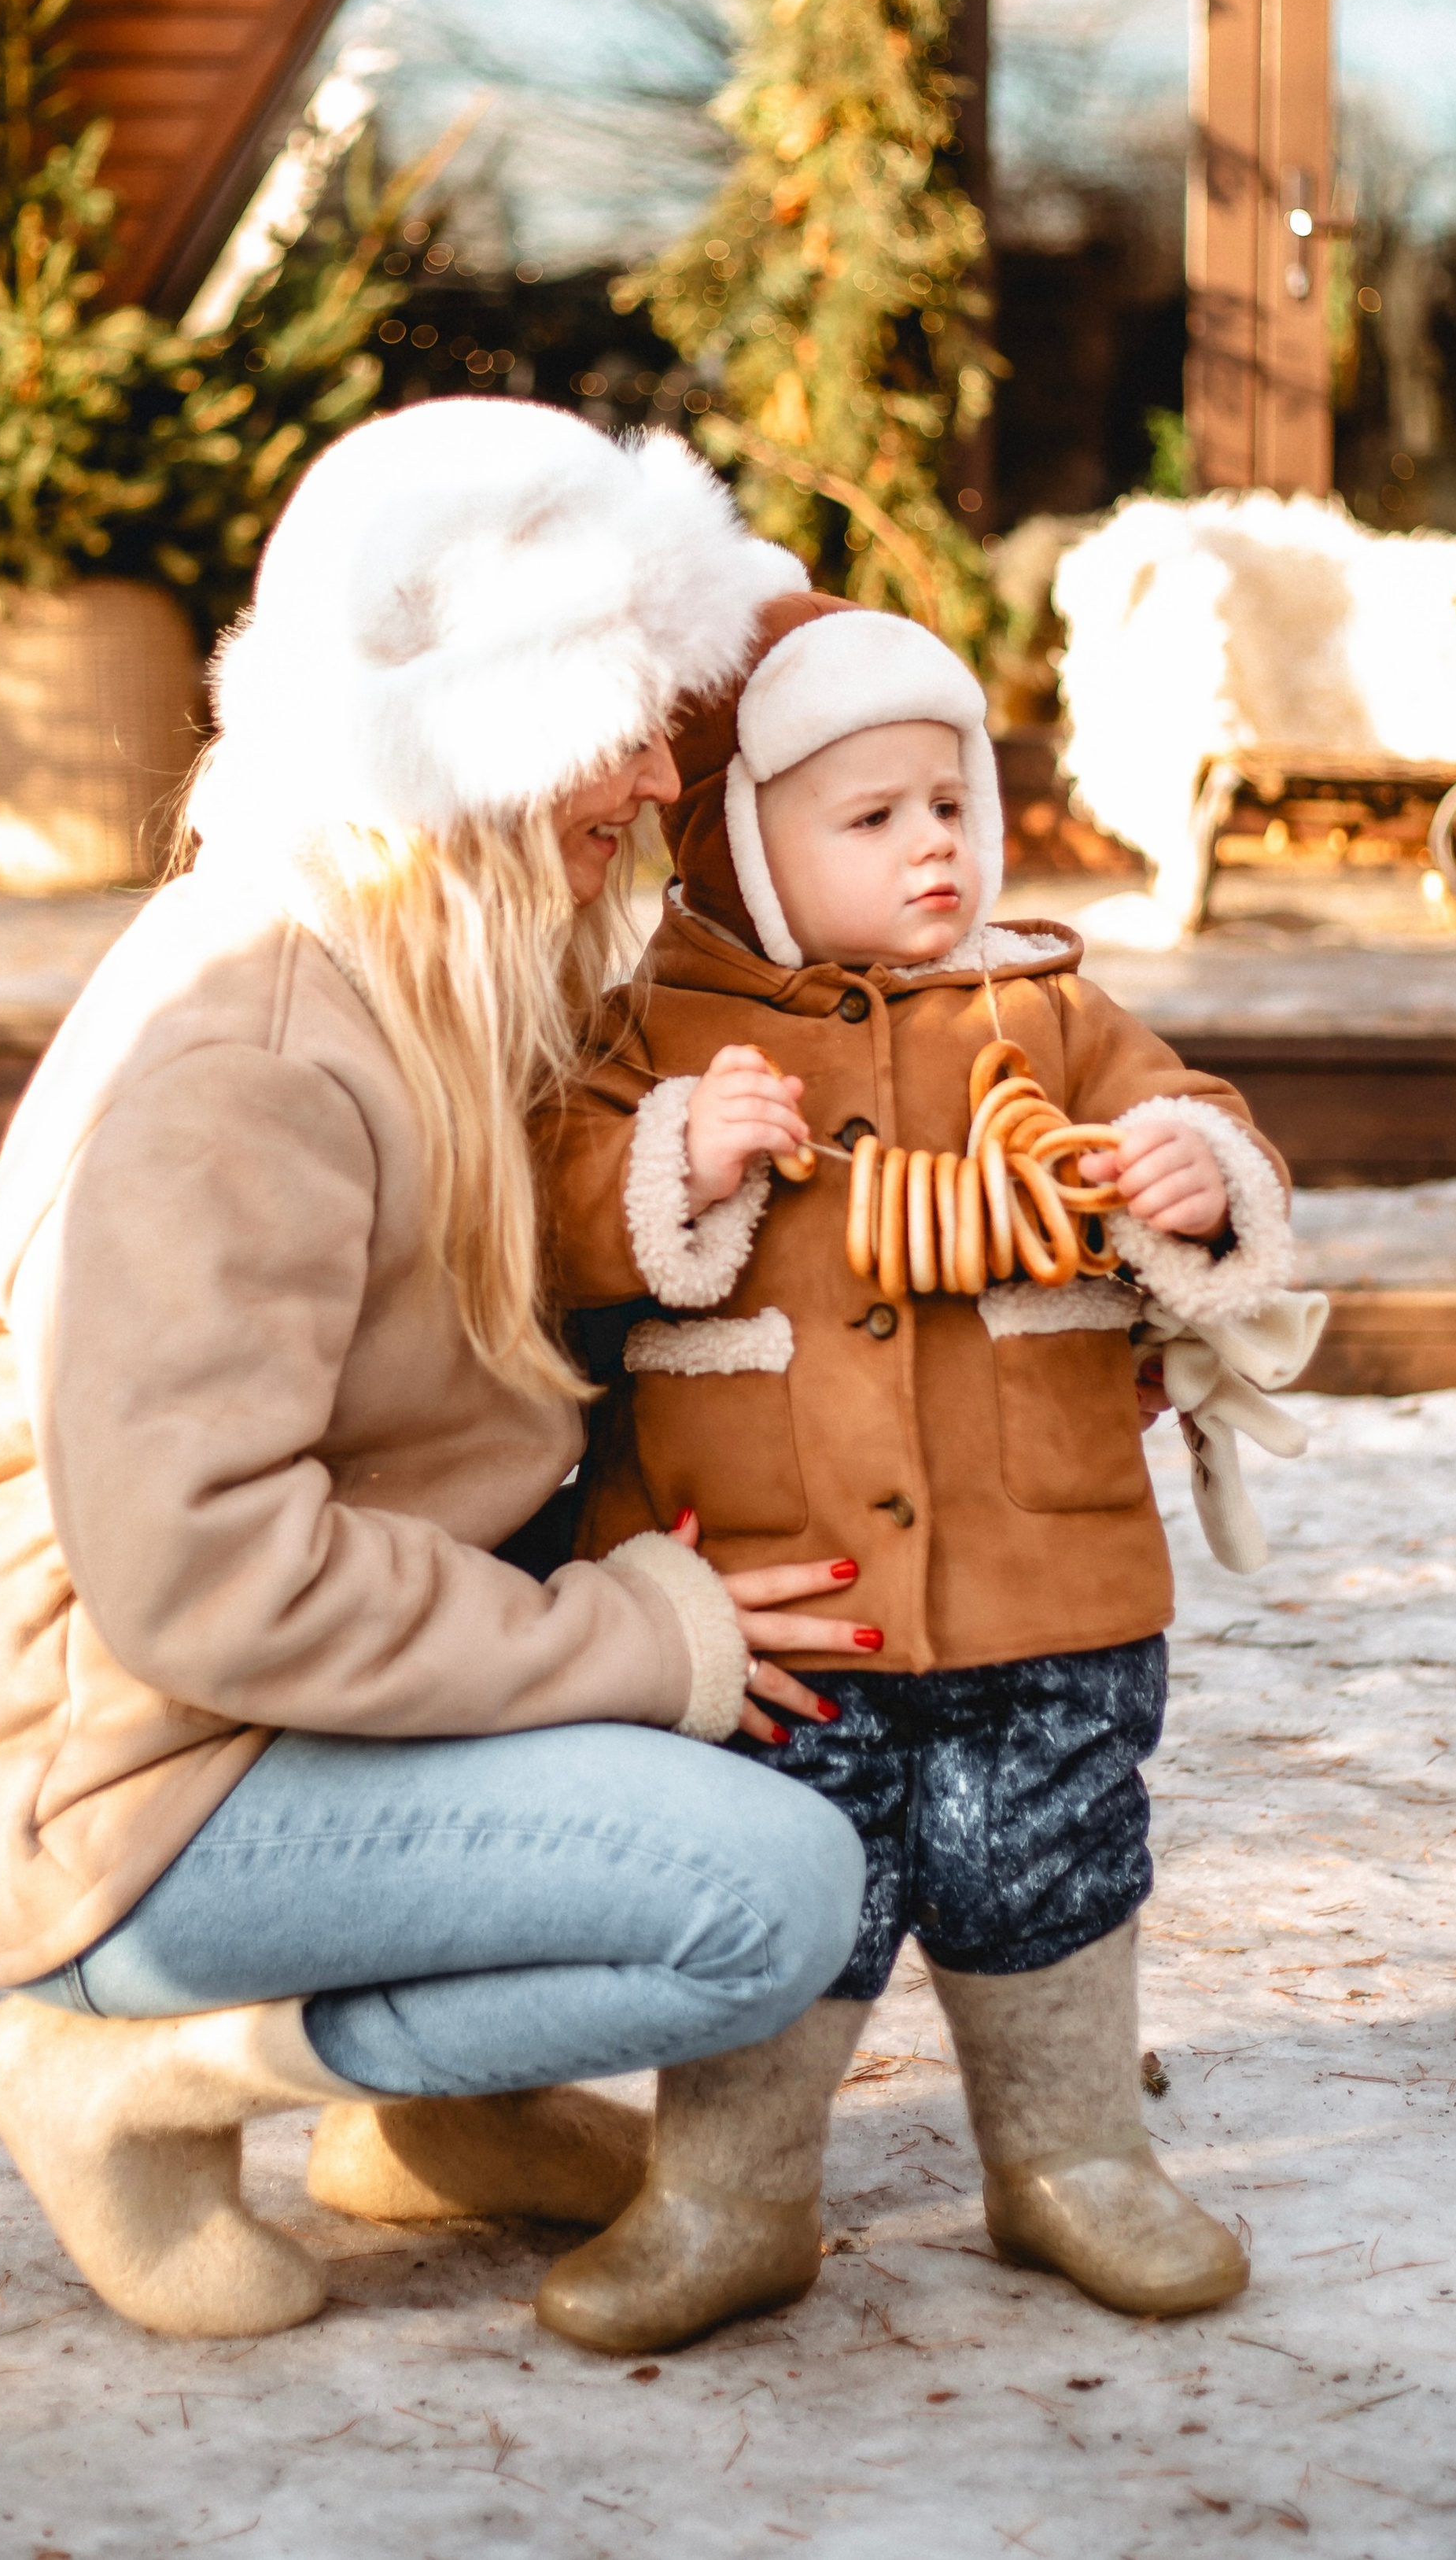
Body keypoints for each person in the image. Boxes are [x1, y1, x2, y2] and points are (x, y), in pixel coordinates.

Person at [0, 405, 871, 2346]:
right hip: (116, 1784)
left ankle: (435, 2107)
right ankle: (126, 2072)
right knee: (769, 1895)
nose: (660, 775)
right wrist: (627, 1640)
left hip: (264, 1710)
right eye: (622, 717)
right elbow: (208, 1570)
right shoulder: (251, 1045)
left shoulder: (445, 941)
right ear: (473, 726)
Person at [533, 592, 1300, 2356]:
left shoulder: (1041, 1006)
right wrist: (670, 1155)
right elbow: (552, 1200)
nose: (930, 846)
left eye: (947, 800)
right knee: (800, 1870)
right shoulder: (659, 1020)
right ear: (741, 842)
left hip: (1044, 1567)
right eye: (867, 818)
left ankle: (1070, 2154)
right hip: (782, 1588)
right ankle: (731, 2191)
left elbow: (1203, 1111)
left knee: (1047, 1853)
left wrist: (1192, 1168)